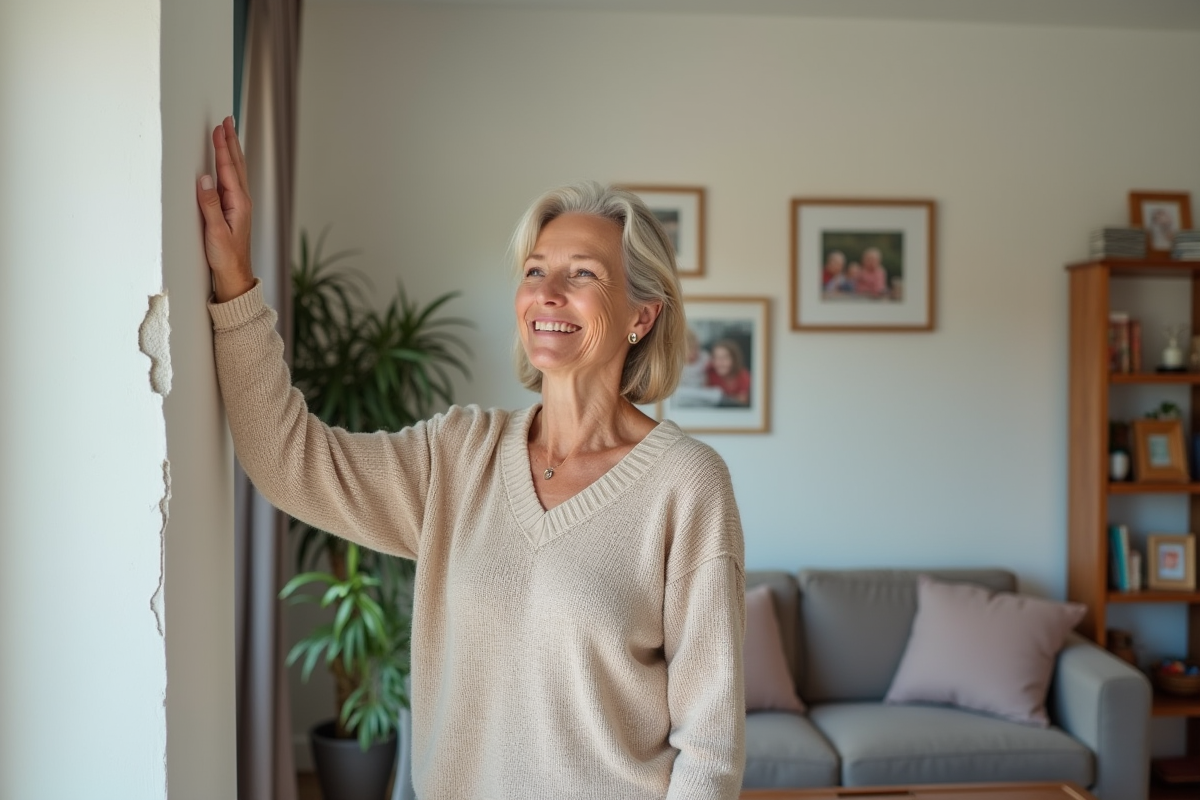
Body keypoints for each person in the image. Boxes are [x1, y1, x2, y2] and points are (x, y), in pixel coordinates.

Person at [195, 117, 746, 800]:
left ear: (642, 316)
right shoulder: (460, 454)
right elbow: (287, 460)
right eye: (536, 271)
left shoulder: (687, 485)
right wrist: (235, 282)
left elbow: (711, 747)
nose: (548, 292)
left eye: (583, 275)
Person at [705, 339, 751, 407]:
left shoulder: (743, 375)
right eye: (716, 358)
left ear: (734, 359)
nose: (720, 362)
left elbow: (743, 400)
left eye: (725, 358)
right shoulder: (709, 372)